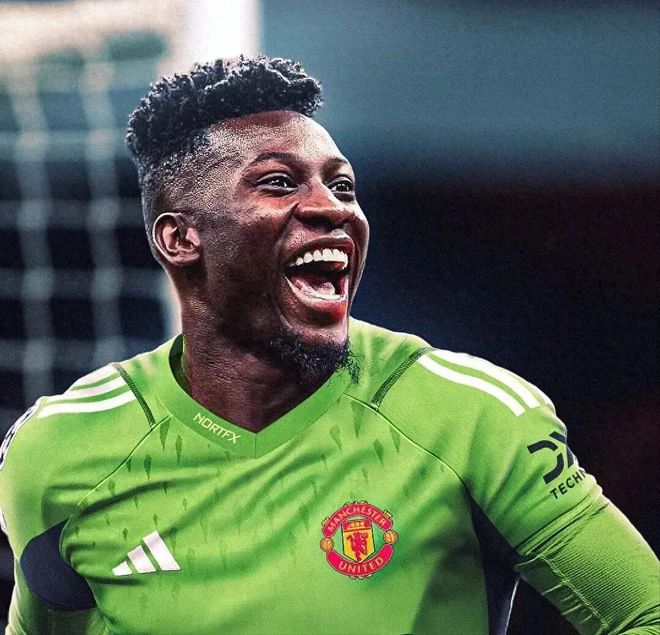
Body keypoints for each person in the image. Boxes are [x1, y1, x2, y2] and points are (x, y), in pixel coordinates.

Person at [0, 55, 657, 635]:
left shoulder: (470, 417)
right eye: (279, 182)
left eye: (342, 186)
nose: (334, 208)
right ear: (180, 238)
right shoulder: (63, 450)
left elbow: (641, 614)